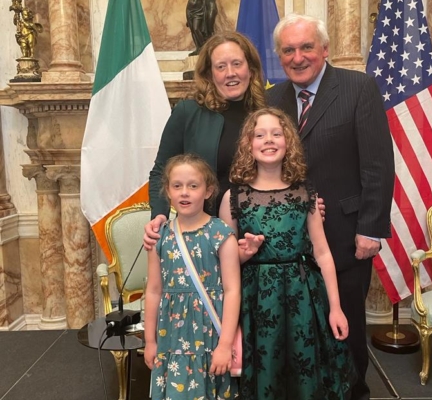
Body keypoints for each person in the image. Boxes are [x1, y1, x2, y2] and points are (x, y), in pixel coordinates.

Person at [266, 14, 395, 400]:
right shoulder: (273, 99)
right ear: (279, 55)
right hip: (290, 242)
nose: (298, 56)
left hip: (345, 235)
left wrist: (371, 228)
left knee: (347, 327)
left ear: (324, 49)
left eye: (306, 47)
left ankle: (355, 391)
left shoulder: (358, 88)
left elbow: (377, 164)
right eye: (288, 50)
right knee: (303, 327)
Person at [218, 107, 357, 400]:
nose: (268, 140)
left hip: (303, 296)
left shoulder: (304, 192)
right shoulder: (234, 197)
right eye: (259, 135)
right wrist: (247, 252)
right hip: (255, 299)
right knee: (264, 369)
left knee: (302, 371)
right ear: (248, 144)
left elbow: (322, 253)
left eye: (276, 133)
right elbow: (225, 265)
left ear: (288, 142)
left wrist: (335, 307)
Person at [144, 31, 266, 250]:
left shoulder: (268, 113)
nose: (230, 73)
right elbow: (161, 170)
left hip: (260, 235)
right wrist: (159, 215)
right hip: (204, 238)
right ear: (209, 74)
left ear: (251, 69)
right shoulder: (187, 112)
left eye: (237, 64)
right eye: (220, 67)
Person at [144, 153, 242, 399]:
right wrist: (150, 341)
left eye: (193, 186)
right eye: (177, 186)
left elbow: (232, 291)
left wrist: (225, 345)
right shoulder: (160, 237)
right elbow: (154, 290)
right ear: (168, 191)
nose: (184, 192)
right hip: (172, 336)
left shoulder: (221, 234)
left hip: (210, 335)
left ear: (208, 191)